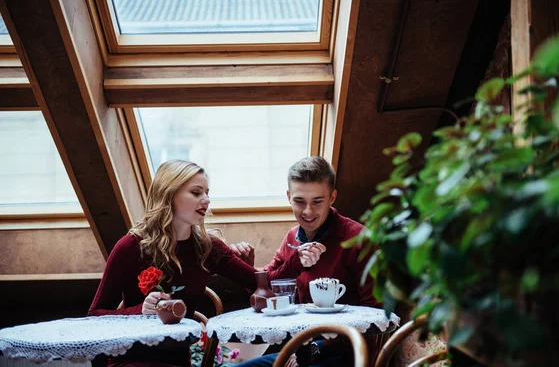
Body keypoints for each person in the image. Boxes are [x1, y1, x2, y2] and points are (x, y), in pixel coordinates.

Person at [88, 160, 323, 367]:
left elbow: (260, 282)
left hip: (179, 362)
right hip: (130, 360)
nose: (207, 200)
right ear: (169, 194)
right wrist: (142, 311)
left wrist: (297, 259)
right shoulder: (131, 247)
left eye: (207, 192)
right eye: (196, 192)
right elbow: (95, 315)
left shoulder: (207, 247)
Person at [231, 156, 380, 367]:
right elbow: (269, 289)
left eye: (317, 201)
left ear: (332, 197)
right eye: (299, 201)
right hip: (298, 350)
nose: (308, 211)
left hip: (348, 355)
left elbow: (375, 314)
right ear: (288, 197)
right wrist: (248, 265)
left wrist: (314, 349)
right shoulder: (292, 237)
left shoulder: (360, 239)